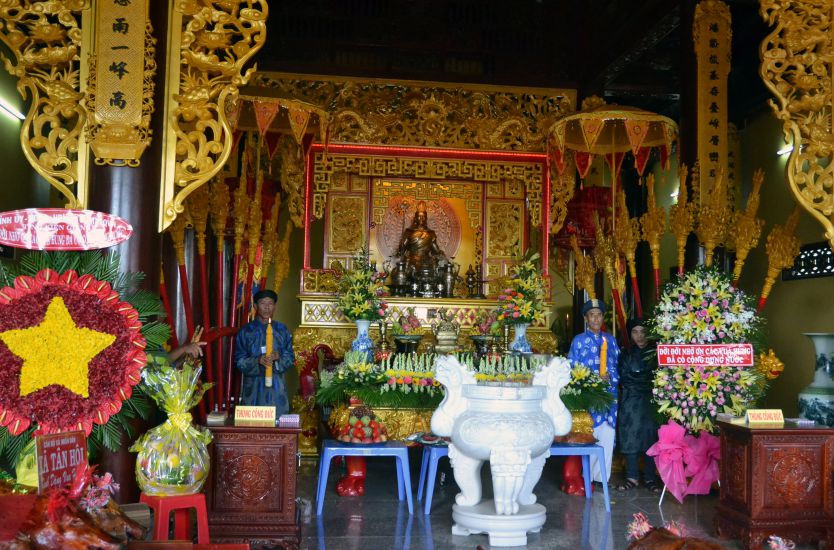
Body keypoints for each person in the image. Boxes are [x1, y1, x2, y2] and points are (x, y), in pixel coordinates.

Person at [568, 298, 619, 483]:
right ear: (586, 318)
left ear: (603, 317)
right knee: (589, 436)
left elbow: (616, 365)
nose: (596, 319)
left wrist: (609, 376)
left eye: (599, 315)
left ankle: (602, 479)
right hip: (589, 397)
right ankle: (587, 478)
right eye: (592, 315)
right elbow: (572, 368)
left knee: (606, 436)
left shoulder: (611, 341)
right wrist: (592, 378)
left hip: (608, 397)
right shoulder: (579, 341)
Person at [616, 317, 661, 493]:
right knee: (630, 436)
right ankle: (632, 477)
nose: (639, 336)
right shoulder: (626, 353)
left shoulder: (655, 353)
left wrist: (641, 378)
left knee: (651, 436)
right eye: (635, 332)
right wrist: (644, 378)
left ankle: (650, 478)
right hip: (630, 399)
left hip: (650, 400)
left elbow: (658, 377)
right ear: (630, 334)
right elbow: (624, 377)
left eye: (643, 332)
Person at [234, 289, 295, 415]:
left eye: (270, 304)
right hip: (253, 390)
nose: (267, 308)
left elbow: (290, 357)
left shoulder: (282, 330)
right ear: (255, 306)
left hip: (277, 390)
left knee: (277, 427)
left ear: (275, 306)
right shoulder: (246, 331)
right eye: (263, 303)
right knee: (251, 429)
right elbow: (239, 361)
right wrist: (257, 360)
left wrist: (278, 357)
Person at [396, 201, 445, 272]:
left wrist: (440, 253)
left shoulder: (431, 233)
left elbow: (435, 250)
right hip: (411, 261)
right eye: (419, 216)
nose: (421, 218)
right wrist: (401, 247)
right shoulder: (409, 231)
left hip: (426, 262)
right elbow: (403, 249)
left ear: (426, 218)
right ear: (415, 218)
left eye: (423, 217)